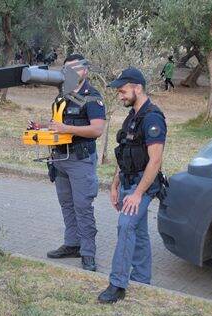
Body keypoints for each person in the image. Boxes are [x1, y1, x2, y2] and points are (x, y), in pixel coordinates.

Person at [98, 67, 167, 303]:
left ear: (137, 87)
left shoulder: (153, 118)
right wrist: (115, 185)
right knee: (139, 231)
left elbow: (155, 160)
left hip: (143, 185)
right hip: (127, 181)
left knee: (126, 225)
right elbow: (124, 154)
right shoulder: (132, 117)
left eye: (123, 91)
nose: (120, 96)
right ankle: (142, 280)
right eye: (119, 92)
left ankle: (117, 284)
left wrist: (137, 194)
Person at [46, 54, 106, 272]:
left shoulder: (92, 97)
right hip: (60, 159)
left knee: (83, 207)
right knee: (67, 205)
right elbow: (58, 125)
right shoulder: (62, 96)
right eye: (66, 69)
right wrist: (41, 127)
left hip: (80, 160)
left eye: (74, 68)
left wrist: (67, 129)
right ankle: (72, 244)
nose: (69, 73)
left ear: (84, 71)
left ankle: (88, 253)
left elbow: (97, 130)